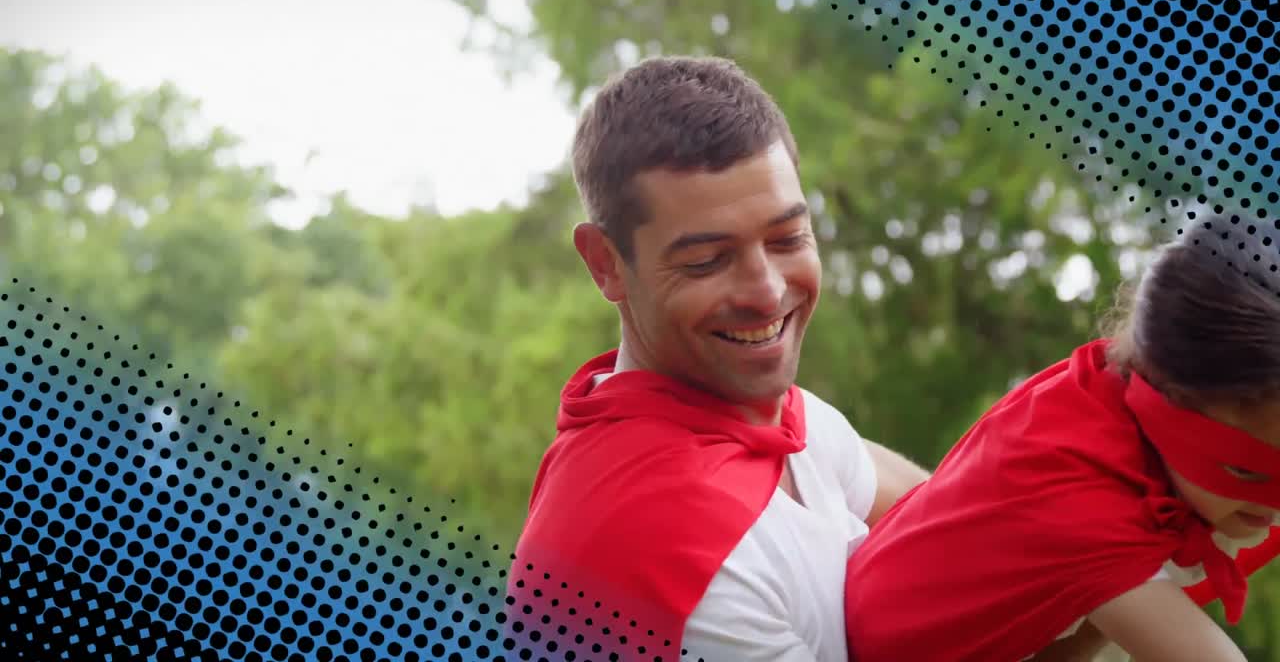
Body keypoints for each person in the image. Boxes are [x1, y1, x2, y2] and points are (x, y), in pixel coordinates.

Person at [501, 56, 930, 662]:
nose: (766, 291)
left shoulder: (773, 419)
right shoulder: (655, 550)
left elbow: (953, 524)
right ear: (605, 264)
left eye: (787, 239)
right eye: (706, 261)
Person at [844, 217, 1280, 662]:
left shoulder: (1098, 390)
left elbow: (1068, 638)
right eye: (1247, 469)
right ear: (1167, 397)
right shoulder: (1088, 512)